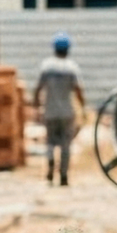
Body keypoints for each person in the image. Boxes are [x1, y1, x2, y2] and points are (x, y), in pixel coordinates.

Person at [33, 33, 84, 186]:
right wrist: (83, 107)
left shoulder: (47, 66)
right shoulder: (72, 67)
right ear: (68, 49)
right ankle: (63, 176)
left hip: (50, 111)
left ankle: (50, 168)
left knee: (50, 142)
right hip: (67, 112)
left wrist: (36, 106)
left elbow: (38, 89)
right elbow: (78, 90)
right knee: (65, 145)